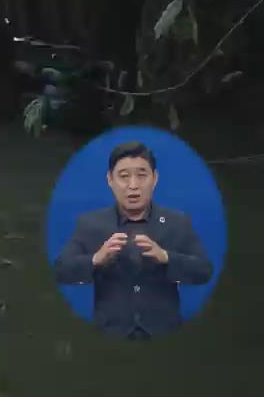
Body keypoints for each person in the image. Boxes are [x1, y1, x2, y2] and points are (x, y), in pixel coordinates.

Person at [52, 140, 213, 340]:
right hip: (108, 335)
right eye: (124, 176)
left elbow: (204, 271)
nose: (133, 185)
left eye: (142, 175)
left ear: (155, 179)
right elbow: (60, 271)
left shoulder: (177, 222)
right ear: (110, 180)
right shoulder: (89, 224)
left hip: (166, 333)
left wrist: (166, 257)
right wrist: (95, 259)